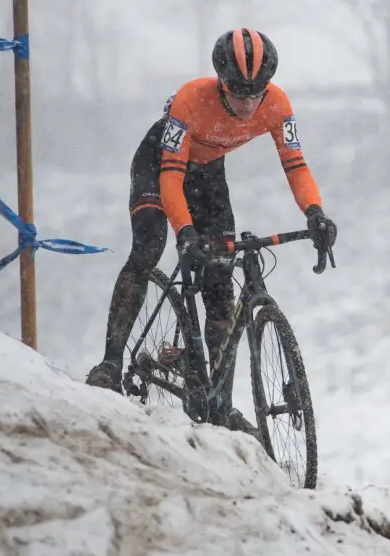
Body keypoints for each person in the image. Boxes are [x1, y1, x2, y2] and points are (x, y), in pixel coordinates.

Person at [85, 27, 337, 435]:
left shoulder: (276, 105)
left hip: (207, 174)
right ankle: (111, 363)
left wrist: (315, 212)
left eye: (256, 93)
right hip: (160, 164)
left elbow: (295, 164)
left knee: (221, 289)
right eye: (238, 92)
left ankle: (219, 400)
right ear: (221, 82)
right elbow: (170, 177)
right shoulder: (191, 99)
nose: (247, 103)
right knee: (149, 247)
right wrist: (184, 231)